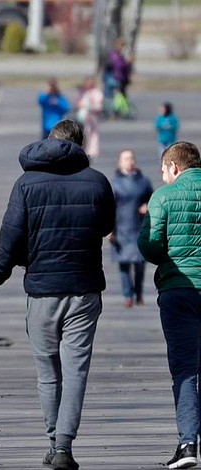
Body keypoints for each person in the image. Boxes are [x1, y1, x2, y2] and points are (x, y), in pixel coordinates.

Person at [0, 119, 115, 469]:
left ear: (48, 142)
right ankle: (64, 447)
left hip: (42, 290)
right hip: (85, 289)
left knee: (47, 371)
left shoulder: (26, 184)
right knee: (76, 371)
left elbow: (10, 236)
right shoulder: (98, 181)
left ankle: (54, 440)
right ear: (80, 144)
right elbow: (106, 227)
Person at [138, 142, 201, 470]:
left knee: (185, 369)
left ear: (175, 168)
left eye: (163, 170)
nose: (162, 176)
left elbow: (149, 245)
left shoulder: (164, 196)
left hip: (178, 291)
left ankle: (188, 443)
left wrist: (167, 259)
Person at [109, 149, 152, 308]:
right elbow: (109, 207)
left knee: (140, 263)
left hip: (138, 226)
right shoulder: (115, 183)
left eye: (132, 158)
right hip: (121, 226)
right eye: (126, 159)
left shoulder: (143, 181)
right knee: (124, 264)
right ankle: (127, 294)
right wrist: (109, 230)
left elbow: (152, 198)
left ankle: (139, 292)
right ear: (120, 162)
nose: (130, 161)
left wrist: (147, 206)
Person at [74, 76, 103, 159]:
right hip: (81, 119)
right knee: (81, 136)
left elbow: (98, 107)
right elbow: (76, 103)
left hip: (91, 119)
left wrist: (87, 105)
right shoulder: (83, 92)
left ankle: (89, 153)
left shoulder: (96, 93)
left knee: (90, 136)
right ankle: (81, 151)